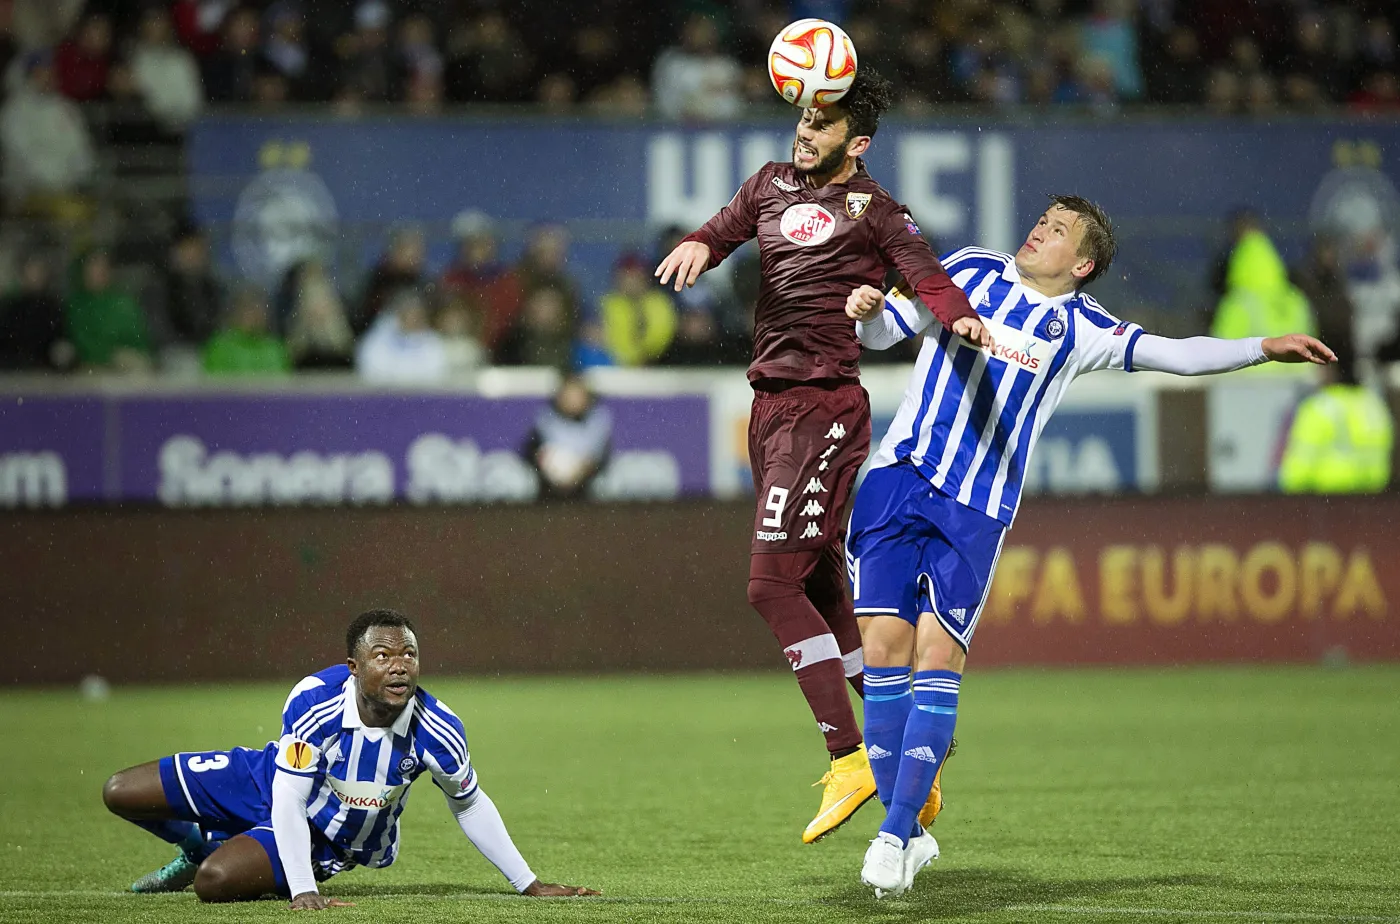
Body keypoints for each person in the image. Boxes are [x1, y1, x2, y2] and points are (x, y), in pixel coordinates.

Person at [843, 195, 1334, 898]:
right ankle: (908, 831)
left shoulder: (1083, 328)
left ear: (1083, 263)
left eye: (1058, 231)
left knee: (937, 655)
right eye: (1041, 220)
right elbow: (892, 329)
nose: (1038, 230)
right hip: (898, 481)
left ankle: (894, 835)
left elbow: (1176, 354)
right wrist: (867, 311)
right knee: (884, 650)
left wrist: (1260, 347)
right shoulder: (971, 271)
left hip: (975, 509)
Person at [654, 68, 990, 845]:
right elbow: (723, 228)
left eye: (821, 124)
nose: (803, 132)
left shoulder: (876, 211)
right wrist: (698, 246)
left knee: (770, 586)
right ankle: (909, 753)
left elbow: (927, 277)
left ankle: (851, 755)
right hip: (768, 409)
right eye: (802, 118)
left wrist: (962, 320)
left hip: (824, 409)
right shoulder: (769, 184)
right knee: (819, 579)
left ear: (857, 142)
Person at [102, 609, 598, 905]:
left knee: (214, 883)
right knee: (120, 792)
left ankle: (208, 854)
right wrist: (301, 892)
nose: (400, 666)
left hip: (330, 835)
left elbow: (467, 803)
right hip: (270, 779)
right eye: (383, 656)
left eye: (409, 655)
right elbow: (289, 794)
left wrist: (528, 885)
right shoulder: (313, 702)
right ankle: (196, 843)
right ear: (354, 668)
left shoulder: (438, 730)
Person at [1278, 343, 1392, 494]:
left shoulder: (1318, 407)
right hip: (1370, 500)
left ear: (1331, 370)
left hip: (1324, 501)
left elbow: (1295, 475)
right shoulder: (1374, 405)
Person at [524, 372, 613, 500]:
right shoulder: (545, 420)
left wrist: (580, 471)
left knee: (605, 487)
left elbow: (601, 459)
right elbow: (534, 455)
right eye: (568, 395)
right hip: (550, 488)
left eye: (577, 395)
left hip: (587, 486)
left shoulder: (598, 421)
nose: (572, 400)